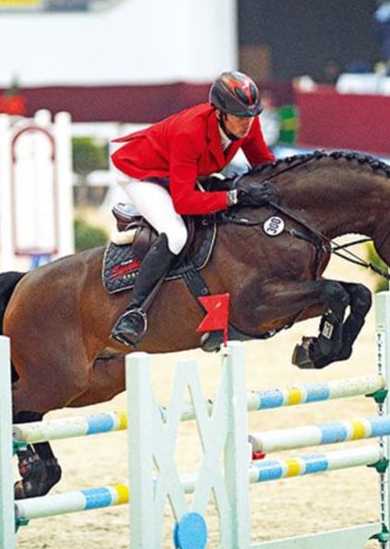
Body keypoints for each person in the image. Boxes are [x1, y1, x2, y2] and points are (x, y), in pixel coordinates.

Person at [108, 71, 276, 348]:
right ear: (220, 112)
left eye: (251, 115)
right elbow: (184, 202)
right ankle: (133, 313)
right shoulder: (191, 131)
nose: (247, 123)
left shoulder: (247, 122)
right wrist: (234, 197)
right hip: (142, 172)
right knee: (176, 234)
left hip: (182, 173)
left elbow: (264, 165)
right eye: (239, 116)